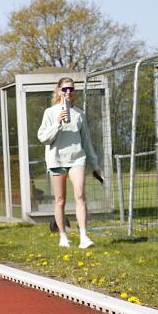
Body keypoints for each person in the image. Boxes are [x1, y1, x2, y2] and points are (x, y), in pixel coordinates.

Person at [37, 77, 102, 249]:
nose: (68, 92)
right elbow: (43, 138)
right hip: (57, 160)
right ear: (59, 91)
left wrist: (95, 164)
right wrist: (57, 123)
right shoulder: (50, 113)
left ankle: (84, 237)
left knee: (80, 195)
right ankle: (63, 237)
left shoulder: (80, 114)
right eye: (65, 89)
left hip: (77, 159)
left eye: (71, 89)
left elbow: (86, 141)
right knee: (60, 200)